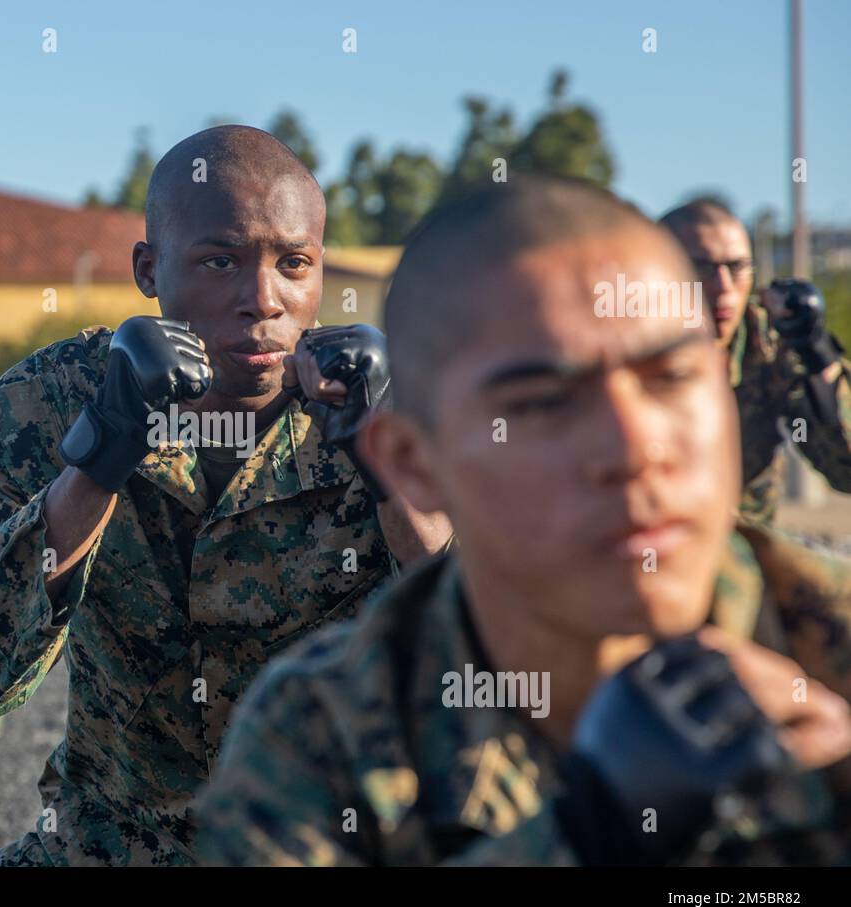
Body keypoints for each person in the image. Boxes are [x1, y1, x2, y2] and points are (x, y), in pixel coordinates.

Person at [194, 177, 851, 866]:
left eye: (671, 377)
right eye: (542, 404)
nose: (635, 449)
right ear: (413, 464)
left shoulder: (829, 644)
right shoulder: (323, 734)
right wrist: (588, 836)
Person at [0, 125, 450, 866]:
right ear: (149, 269)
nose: (262, 300)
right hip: (110, 844)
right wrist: (98, 459)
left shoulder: (393, 407)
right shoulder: (51, 401)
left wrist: (392, 475)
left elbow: (499, 662)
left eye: (294, 264)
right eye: (221, 260)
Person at [660, 199, 851, 523]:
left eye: (736, 267)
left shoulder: (769, 344)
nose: (723, 288)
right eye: (702, 268)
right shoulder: (622, 352)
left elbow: (845, 473)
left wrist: (817, 357)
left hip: (744, 549)